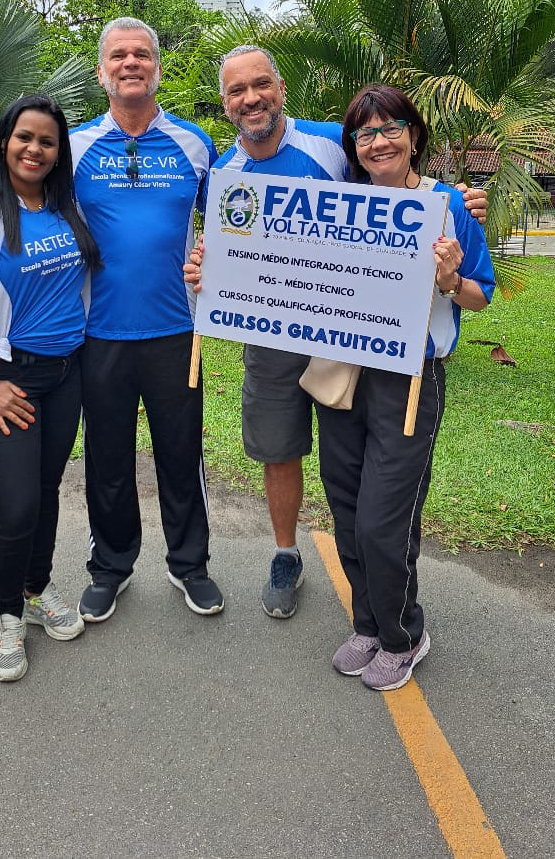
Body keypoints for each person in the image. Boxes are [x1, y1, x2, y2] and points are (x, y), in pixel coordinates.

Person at [208, 46, 488, 620]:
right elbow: (224, 248)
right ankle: (289, 556)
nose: (251, 98)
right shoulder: (222, 172)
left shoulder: (332, 143)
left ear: (280, 88)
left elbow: (400, 184)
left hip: (361, 340)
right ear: (225, 103)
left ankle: (394, 622)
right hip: (277, 327)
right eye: (237, 91)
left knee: (379, 496)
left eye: (261, 84)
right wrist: (205, 271)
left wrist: (457, 205)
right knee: (287, 450)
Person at [319, 83, 494, 690]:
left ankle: (403, 635)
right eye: (365, 133)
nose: (378, 141)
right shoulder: (338, 205)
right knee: (345, 507)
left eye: (391, 127)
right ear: (354, 147)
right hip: (343, 375)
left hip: (411, 381)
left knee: (383, 520)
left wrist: (449, 279)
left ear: (414, 135)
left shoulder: (448, 207)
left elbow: (480, 293)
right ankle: (368, 624)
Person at [0, 95, 100, 682]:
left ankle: (35, 589)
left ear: (60, 154)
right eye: (24, 138)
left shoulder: (65, 210)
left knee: (48, 489)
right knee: (18, 502)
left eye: (48, 142)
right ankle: (8, 615)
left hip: (66, 373)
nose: (35, 149)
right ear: (3, 141)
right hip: (8, 377)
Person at [69, 17, 224, 621]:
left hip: (175, 334)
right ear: (102, 70)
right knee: (107, 459)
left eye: (141, 54)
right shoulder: (76, 147)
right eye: (118, 55)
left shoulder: (194, 144)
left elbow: (244, 223)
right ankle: (110, 566)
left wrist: (219, 261)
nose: (130, 62)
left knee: (181, 454)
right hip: (97, 332)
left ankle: (190, 565)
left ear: (157, 67)